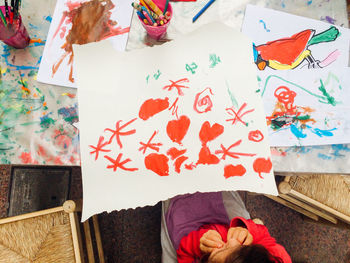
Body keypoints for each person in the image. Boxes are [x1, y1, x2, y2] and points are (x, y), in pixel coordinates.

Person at [161, 191, 292, 263]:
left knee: (175, 207)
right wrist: (248, 230)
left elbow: (183, 250)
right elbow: (266, 238)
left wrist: (199, 243)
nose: (231, 240)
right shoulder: (278, 258)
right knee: (226, 197)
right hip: (225, 218)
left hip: (191, 227)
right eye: (240, 247)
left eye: (217, 251)